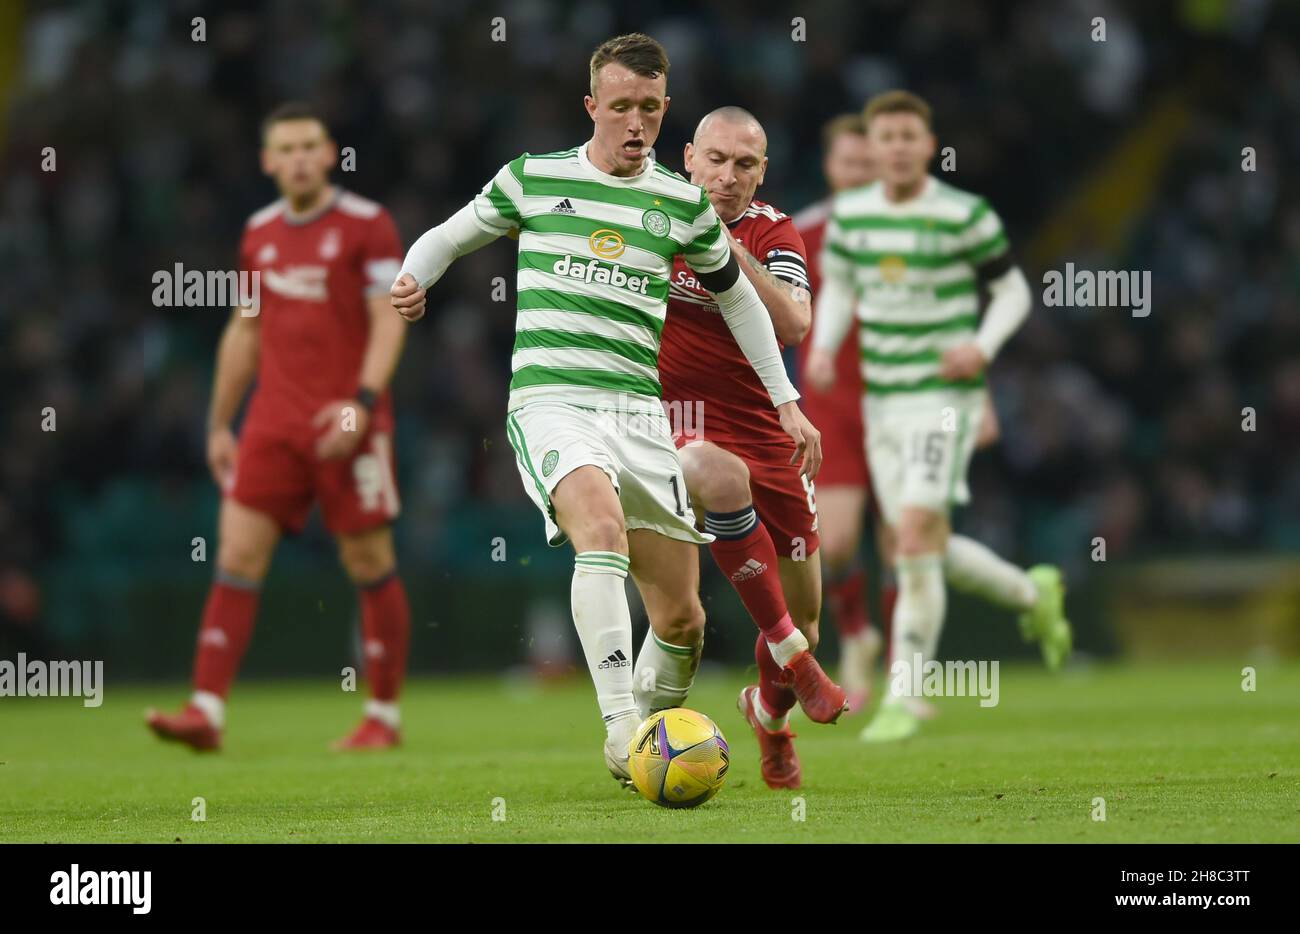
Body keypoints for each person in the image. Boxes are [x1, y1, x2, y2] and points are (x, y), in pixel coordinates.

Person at [390, 34, 834, 784]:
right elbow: (451, 235)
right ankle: (623, 730)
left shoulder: (681, 204)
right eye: (622, 106)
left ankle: (654, 745)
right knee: (598, 529)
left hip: (640, 416)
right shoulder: (534, 179)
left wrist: (787, 401)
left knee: (684, 622)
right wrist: (413, 277)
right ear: (592, 106)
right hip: (553, 401)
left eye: (651, 109)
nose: (636, 123)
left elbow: (746, 305)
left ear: (666, 114)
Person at [806, 90, 1073, 743]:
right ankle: (1032, 594)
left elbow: (1013, 290)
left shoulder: (964, 214)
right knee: (922, 542)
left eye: (907, 137)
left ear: (927, 146)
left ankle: (904, 693)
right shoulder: (854, 220)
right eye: (885, 138)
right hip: (882, 403)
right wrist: (821, 348)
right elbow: (840, 286)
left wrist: (980, 348)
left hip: (941, 400)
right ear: (874, 147)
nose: (895, 148)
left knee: (916, 534)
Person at [148, 103, 411, 751]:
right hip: (272, 421)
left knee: (368, 559)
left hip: (349, 418)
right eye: (284, 149)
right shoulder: (258, 234)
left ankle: (383, 716)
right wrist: (218, 424)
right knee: (235, 555)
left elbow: (388, 317)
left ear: (329, 154)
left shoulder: (368, 225)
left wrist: (362, 401)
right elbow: (244, 330)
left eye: (308, 146)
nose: (297, 158)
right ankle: (205, 710)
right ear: (268, 161)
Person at [658, 106, 847, 791]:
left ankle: (769, 712)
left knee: (810, 620)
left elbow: (795, 323)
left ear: (761, 171)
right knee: (713, 473)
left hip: (768, 429)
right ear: (687, 156)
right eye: (715, 159)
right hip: (677, 421)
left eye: (744, 164)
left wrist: (731, 255)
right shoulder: (651, 217)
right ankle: (795, 662)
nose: (727, 176)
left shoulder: (773, 231)